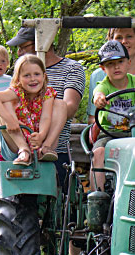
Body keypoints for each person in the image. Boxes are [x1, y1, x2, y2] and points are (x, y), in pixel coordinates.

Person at [7, 27, 86, 187]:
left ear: (43, 45)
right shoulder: (21, 72)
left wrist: (43, 121)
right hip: (21, 149)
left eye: (24, 47)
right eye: (18, 48)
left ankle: (46, 148)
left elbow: (69, 107)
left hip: (55, 150)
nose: (19, 53)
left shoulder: (71, 69)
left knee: (61, 197)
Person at [91, 40, 135, 190]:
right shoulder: (104, 85)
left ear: (128, 63)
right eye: (110, 64)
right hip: (109, 133)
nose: (116, 67)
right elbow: (98, 93)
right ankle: (97, 197)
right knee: (98, 153)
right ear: (103, 68)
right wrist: (99, 99)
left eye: (120, 62)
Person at [0, 54, 57, 165]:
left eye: (36, 74)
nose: (32, 79)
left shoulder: (47, 93)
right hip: (15, 142)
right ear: (18, 78)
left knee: (61, 104)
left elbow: (46, 117)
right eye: (27, 75)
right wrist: (10, 120)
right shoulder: (17, 92)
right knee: (5, 103)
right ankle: (24, 150)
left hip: (38, 141)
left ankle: (45, 148)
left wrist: (41, 135)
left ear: (44, 76)